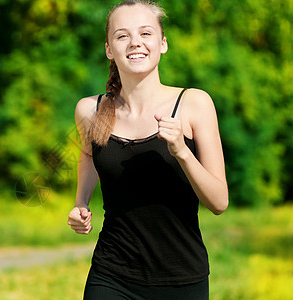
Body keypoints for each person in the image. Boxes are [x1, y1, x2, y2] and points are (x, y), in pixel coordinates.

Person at [67, 1, 228, 299]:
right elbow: (89, 155)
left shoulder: (194, 104)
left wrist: (182, 151)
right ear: (109, 49)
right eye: (122, 35)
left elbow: (219, 202)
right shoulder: (90, 110)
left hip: (181, 280)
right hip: (111, 276)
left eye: (145, 33)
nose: (135, 43)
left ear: (162, 43)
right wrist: (81, 203)